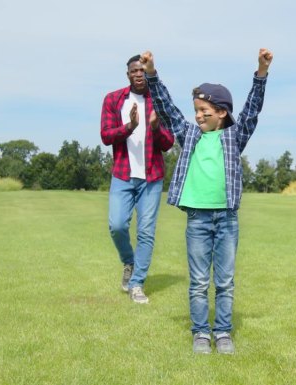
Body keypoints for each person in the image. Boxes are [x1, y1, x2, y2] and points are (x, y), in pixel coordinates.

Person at [140, 48, 273, 353]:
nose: (198, 115)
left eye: (204, 110)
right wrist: (151, 74)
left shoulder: (234, 137)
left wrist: (261, 73)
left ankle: (223, 332)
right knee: (199, 282)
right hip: (198, 219)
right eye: (196, 110)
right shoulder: (189, 135)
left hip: (226, 220)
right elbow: (166, 107)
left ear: (222, 112)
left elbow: (252, 110)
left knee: (225, 281)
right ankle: (201, 332)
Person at [100, 54, 175, 304]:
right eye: (134, 70)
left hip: (151, 177)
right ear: (128, 74)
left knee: (146, 231)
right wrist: (130, 127)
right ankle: (129, 262)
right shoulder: (113, 100)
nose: (139, 74)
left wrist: (154, 128)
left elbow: (168, 143)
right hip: (122, 175)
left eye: (143, 70)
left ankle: (137, 283)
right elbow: (106, 136)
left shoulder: (159, 102)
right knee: (117, 225)